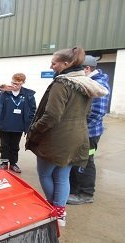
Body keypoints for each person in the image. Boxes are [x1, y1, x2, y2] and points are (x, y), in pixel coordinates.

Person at [25, 47, 108, 227]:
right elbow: (87, 113)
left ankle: (53, 208)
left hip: (56, 139)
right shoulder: (86, 83)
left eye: (54, 63)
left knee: (45, 173)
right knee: (62, 176)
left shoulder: (62, 84)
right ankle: (61, 213)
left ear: (66, 64)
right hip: (77, 136)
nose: (51, 66)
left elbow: (52, 116)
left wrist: (34, 130)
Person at [68, 55, 111, 205]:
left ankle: (86, 193)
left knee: (85, 162)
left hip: (89, 133)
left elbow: (97, 112)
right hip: (80, 131)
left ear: (87, 69)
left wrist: (79, 127)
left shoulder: (98, 84)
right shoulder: (88, 82)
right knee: (75, 161)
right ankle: (74, 190)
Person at [0, 73, 36, 173]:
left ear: (23, 83)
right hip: (5, 124)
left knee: (15, 145)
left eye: (18, 84)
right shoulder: (4, 93)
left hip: (19, 125)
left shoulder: (28, 95)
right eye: (13, 83)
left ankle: (13, 163)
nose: (14, 85)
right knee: (4, 145)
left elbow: (33, 109)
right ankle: (4, 162)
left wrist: (29, 121)